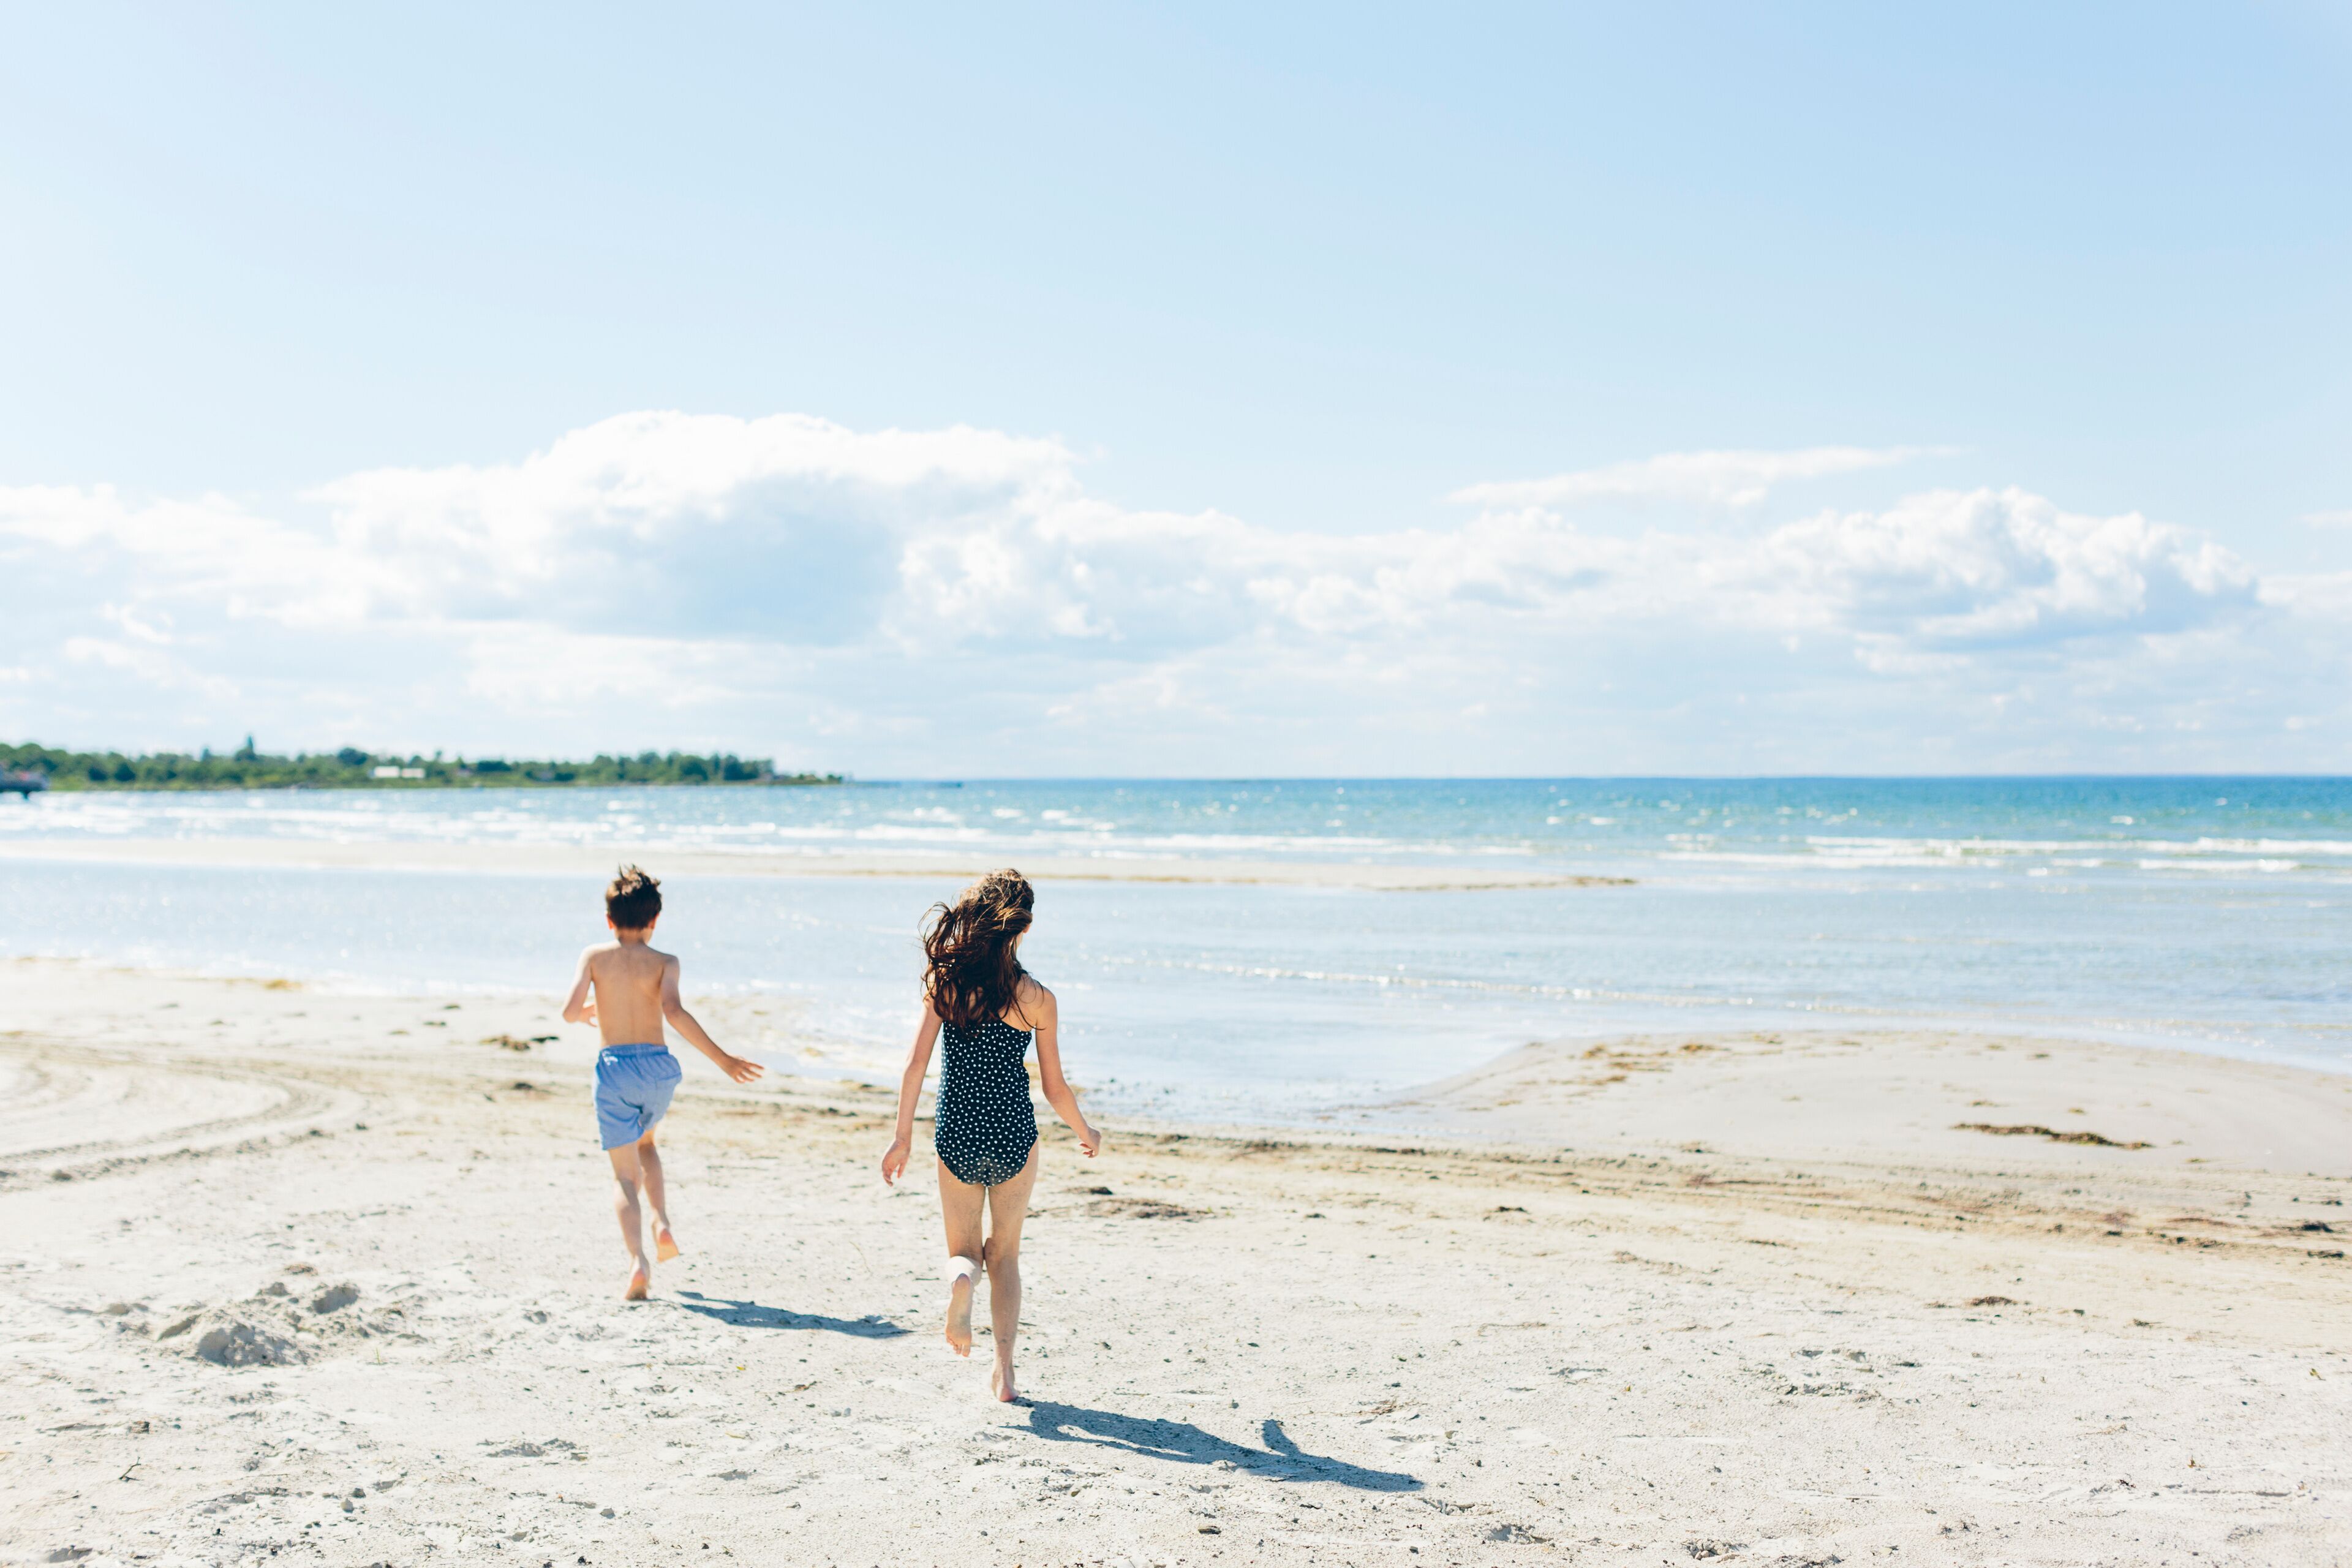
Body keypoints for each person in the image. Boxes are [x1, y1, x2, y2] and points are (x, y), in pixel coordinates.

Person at [881, 869, 1099, 1401]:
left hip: (957, 1132)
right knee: (1005, 1255)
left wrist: (902, 1137)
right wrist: (1085, 1129)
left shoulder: (947, 983)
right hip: (1013, 1136)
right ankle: (1004, 1373)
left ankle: (962, 1280)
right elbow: (1054, 1087)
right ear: (1023, 929)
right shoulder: (1037, 999)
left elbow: (914, 1067)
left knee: (964, 1251)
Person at [561, 865, 763, 1299]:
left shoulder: (594, 956)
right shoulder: (666, 962)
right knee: (648, 1145)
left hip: (615, 1069)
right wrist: (724, 1060)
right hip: (657, 1069)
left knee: (624, 1177)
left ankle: (638, 1262)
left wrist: (590, 1011)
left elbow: (569, 1012)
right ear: (654, 920)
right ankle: (663, 1221)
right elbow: (673, 1012)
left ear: (609, 920)